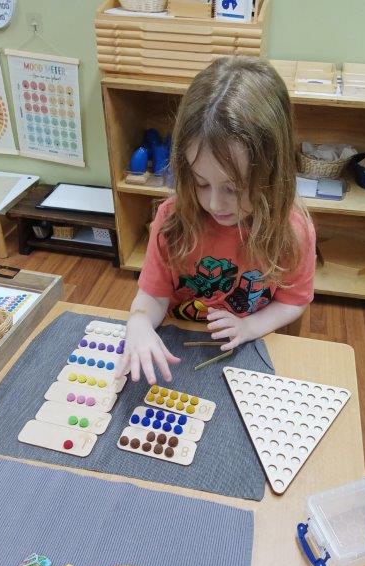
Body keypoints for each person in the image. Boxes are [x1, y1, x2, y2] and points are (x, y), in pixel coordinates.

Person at [117, 56, 316, 385]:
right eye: (200, 183)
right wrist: (138, 322)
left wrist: (249, 327)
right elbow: (153, 295)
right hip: (180, 344)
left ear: (271, 174)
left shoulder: (292, 232)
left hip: (246, 348)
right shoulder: (172, 220)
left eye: (233, 189)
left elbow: (293, 302)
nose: (213, 204)